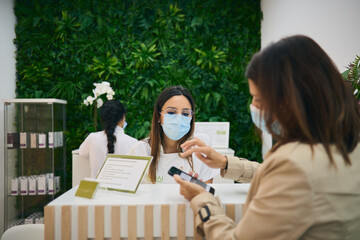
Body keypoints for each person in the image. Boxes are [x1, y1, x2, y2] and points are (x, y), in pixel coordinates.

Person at [174, 35, 360, 239]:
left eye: (259, 99)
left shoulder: (294, 165)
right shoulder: (346, 144)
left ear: (293, 101)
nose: (254, 107)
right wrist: (226, 163)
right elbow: (280, 176)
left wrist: (202, 200)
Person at [128, 86, 221, 184]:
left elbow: (206, 194)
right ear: (159, 116)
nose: (178, 119)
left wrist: (195, 189)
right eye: (171, 112)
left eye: (185, 114)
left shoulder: (200, 148)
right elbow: (128, 194)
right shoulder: (140, 150)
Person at [79, 100, 138, 178]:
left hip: (96, 189)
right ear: (123, 117)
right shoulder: (133, 143)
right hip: (121, 190)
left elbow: (82, 153)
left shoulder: (92, 138)